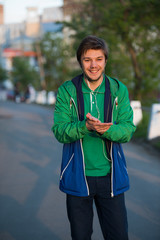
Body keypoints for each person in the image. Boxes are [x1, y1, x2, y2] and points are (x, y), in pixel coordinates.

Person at [52, 35, 136, 240]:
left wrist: (105, 130)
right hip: (77, 178)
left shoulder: (118, 89)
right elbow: (59, 131)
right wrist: (85, 126)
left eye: (98, 59)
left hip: (111, 178)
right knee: (81, 236)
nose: (93, 65)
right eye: (87, 59)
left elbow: (127, 130)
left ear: (105, 60)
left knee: (118, 235)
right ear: (80, 61)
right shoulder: (67, 90)